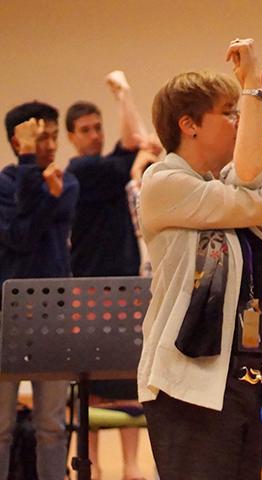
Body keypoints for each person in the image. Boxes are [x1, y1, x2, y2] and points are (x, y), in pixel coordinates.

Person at [137, 39, 262, 480]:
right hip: (186, 381)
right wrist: (248, 87)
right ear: (189, 124)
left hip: (235, 374)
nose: (236, 122)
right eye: (228, 113)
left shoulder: (219, 184)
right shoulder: (164, 182)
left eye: (238, 113)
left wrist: (259, 106)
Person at [65, 70, 156, 480]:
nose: (95, 135)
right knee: (91, 384)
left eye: (99, 127)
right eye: (85, 129)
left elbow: (135, 146)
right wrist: (123, 92)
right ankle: (96, 466)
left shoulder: (107, 169)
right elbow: (137, 141)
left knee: (129, 380)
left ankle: (133, 467)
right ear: (72, 137)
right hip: (88, 286)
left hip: (126, 282)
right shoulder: (82, 170)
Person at [0, 101, 77, 480]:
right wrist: (36, 175)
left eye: (53, 136)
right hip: (6, 318)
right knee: (0, 427)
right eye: (39, 138)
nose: (50, 144)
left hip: (55, 313)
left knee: (52, 426)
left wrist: (44, 197)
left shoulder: (69, 180)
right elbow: (18, 238)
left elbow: (27, 228)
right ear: (19, 140)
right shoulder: (2, 184)